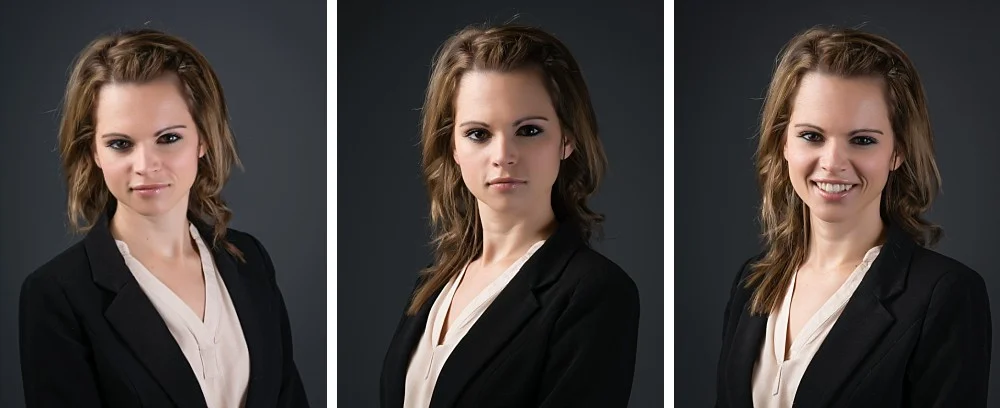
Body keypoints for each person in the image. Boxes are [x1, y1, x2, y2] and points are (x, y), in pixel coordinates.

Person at [18, 29, 309, 407]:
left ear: (203, 139)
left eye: (168, 138)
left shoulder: (250, 260)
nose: (145, 166)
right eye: (120, 144)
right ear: (94, 151)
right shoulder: (57, 296)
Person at [714, 26, 992, 407]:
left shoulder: (945, 295)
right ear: (783, 143)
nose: (832, 163)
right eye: (811, 136)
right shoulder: (752, 282)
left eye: (862, 140)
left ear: (898, 152)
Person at [379, 23, 641, 408]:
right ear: (452, 146)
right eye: (479, 134)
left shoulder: (596, 293)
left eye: (529, 130)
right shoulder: (432, 287)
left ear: (567, 140)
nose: (503, 155)